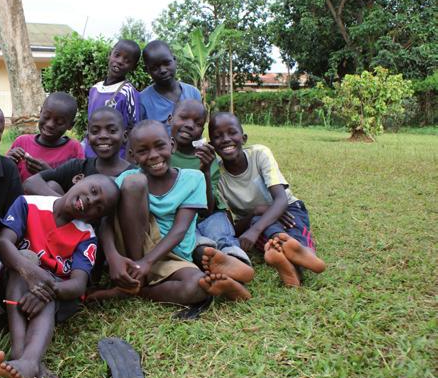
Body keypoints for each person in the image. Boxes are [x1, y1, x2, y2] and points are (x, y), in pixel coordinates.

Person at [88, 120, 251, 304]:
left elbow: (180, 230)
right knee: (135, 182)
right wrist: (113, 257)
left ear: (172, 145)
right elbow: (107, 222)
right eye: (143, 151)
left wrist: (147, 263)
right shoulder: (127, 179)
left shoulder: (194, 179)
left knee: (197, 286)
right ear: (132, 156)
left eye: (160, 146)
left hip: (171, 254)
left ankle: (135, 289)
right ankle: (136, 274)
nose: (154, 155)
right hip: (133, 248)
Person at [0, 174, 120, 378]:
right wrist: (31, 273)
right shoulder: (28, 203)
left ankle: (28, 361)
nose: (91, 201)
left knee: (50, 285)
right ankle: (22, 354)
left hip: (56, 299)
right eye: (93, 190)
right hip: (13, 287)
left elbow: (78, 285)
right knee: (26, 258)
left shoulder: (86, 235)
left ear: (94, 219)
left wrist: (46, 285)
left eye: (98, 208)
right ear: (77, 179)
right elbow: (3, 244)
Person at [208, 112, 326, 287]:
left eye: (232, 132)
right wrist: (257, 212)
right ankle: (289, 260)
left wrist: (255, 230)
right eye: (218, 136)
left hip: (288, 209)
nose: (225, 139)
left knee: (292, 227)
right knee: (260, 223)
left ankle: (304, 254)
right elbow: (231, 226)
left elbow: (281, 200)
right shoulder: (218, 176)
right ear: (212, 146)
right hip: (254, 219)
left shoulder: (260, 154)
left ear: (244, 137)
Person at [168, 100, 253, 285]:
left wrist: (205, 171)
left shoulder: (207, 157)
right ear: (170, 119)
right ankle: (210, 259)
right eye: (183, 118)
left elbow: (207, 210)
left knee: (219, 229)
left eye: (198, 123)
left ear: (202, 131)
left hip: (209, 214)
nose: (190, 125)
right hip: (178, 221)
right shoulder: (161, 152)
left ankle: (236, 261)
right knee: (193, 240)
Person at [23, 107, 135, 196]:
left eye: (112, 131)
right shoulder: (78, 167)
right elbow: (30, 182)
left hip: (115, 225)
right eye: (95, 131)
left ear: (124, 136)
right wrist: (63, 202)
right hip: (77, 224)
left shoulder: (134, 175)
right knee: (52, 185)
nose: (103, 136)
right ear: (88, 138)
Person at [83, 39, 142, 159]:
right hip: (91, 153)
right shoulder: (95, 89)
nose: (120, 61)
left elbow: (134, 128)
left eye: (127, 60)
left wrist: (128, 160)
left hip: (116, 156)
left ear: (133, 67)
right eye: (117, 55)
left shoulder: (128, 92)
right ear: (110, 55)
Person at [7, 92, 84, 182]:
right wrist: (8, 161)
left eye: (59, 122)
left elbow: (79, 184)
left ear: (70, 125)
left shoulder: (74, 148)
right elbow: (4, 175)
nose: (50, 124)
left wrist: (50, 174)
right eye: (46, 117)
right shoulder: (22, 142)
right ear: (40, 112)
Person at [139, 40, 201, 134]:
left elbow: (199, 127)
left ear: (174, 60)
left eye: (167, 63)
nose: (163, 70)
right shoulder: (142, 100)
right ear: (147, 70)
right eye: (155, 68)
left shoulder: (193, 93)